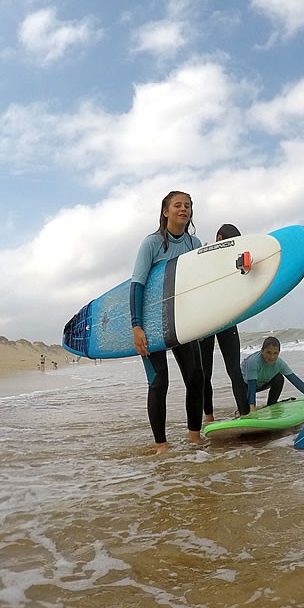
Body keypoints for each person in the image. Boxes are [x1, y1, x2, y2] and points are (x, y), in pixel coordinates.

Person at [132, 190, 205, 453]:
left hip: (182, 321)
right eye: (178, 205)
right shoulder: (151, 244)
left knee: (195, 377)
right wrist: (136, 326)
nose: (183, 209)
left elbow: (203, 284)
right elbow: (137, 286)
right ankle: (161, 445)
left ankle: (194, 436)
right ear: (165, 211)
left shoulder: (194, 244)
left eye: (188, 205)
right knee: (159, 381)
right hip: (152, 324)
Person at [199, 224, 251, 422]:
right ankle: (208, 416)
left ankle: (244, 413)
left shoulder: (235, 261)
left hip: (225, 320)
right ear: (219, 238)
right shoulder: (204, 258)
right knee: (206, 372)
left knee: (233, 369)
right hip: (207, 321)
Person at [241, 337, 304, 411]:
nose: (272, 357)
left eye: (275, 353)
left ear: (279, 352)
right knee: (246, 411)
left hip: (260, 384)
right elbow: (251, 386)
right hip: (244, 386)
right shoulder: (253, 362)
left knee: (279, 378)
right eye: (268, 352)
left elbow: (294, 379)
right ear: (262, 351)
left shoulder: (280, 363)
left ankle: (271, 404)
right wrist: (252, 410)